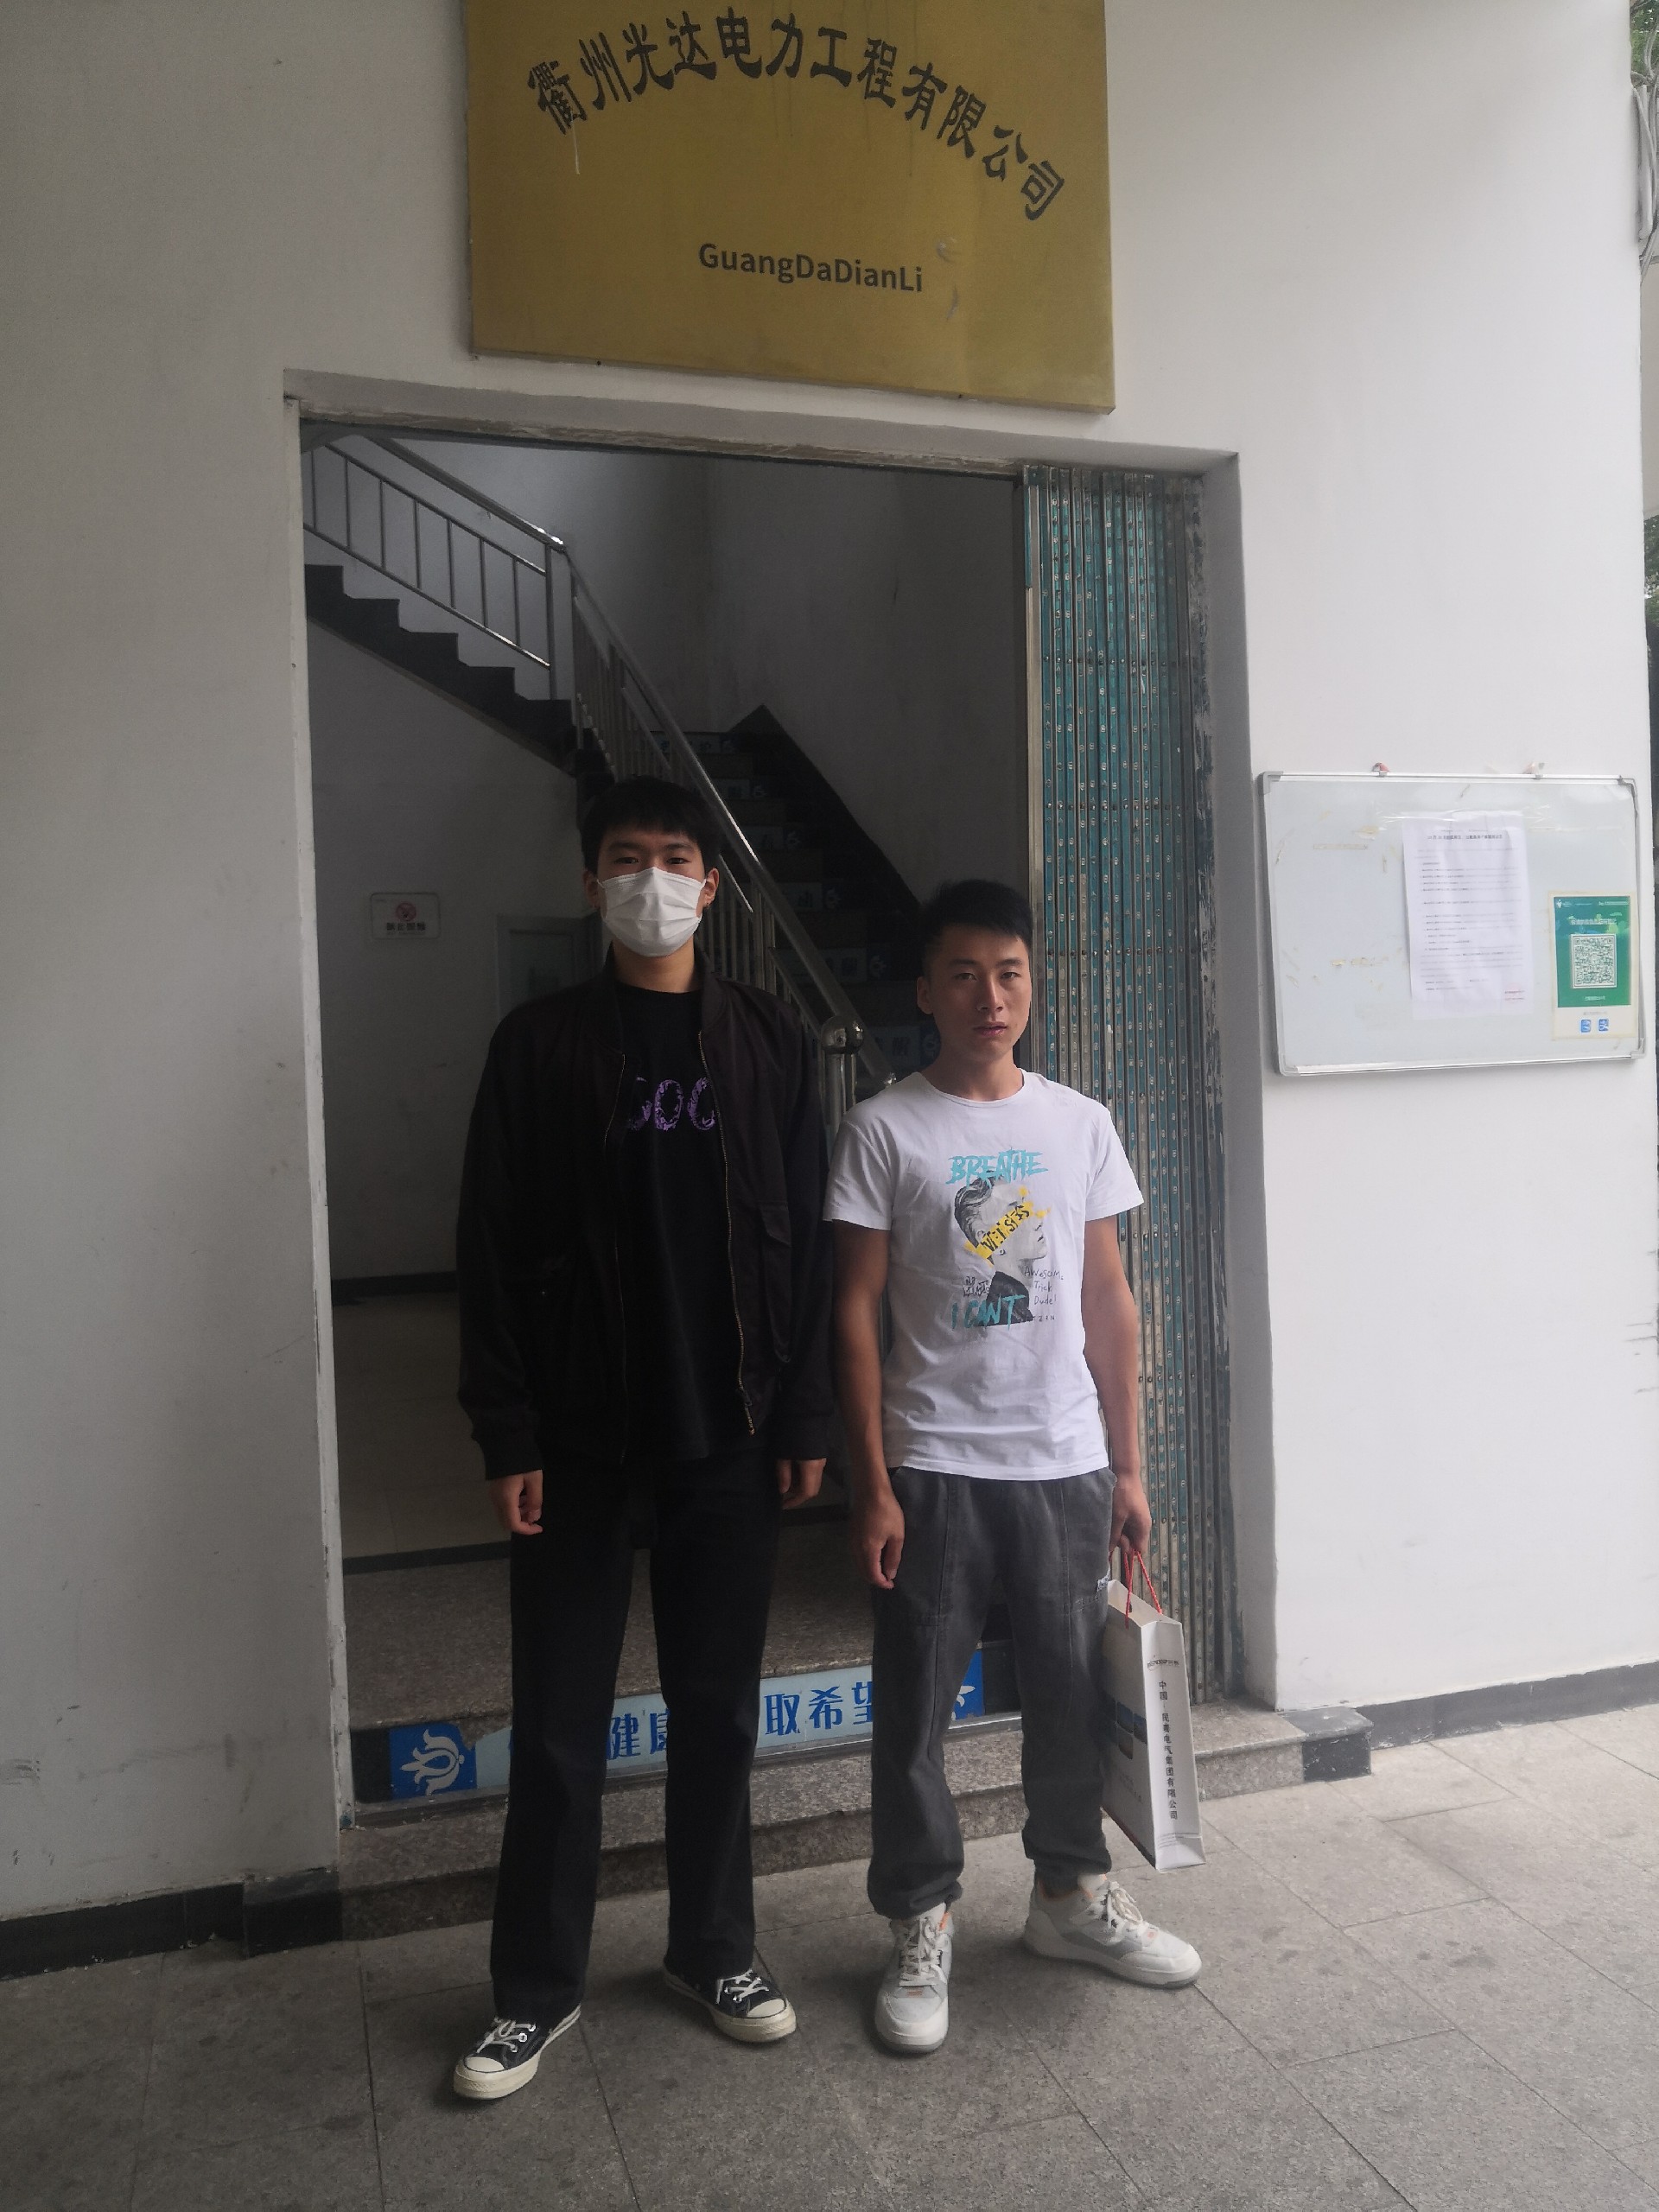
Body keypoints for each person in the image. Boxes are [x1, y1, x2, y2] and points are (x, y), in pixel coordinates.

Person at [449, 775, 832, 2100]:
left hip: (729, 1436)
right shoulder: (538, 1045)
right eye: (628, 858)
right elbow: (490, 1246)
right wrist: (507, 1431)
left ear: (712, 886)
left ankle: (714, 1948)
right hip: (578, 1440)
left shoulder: (770, 1042)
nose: (652, 881)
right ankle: (534, 1991)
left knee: (718, 1712)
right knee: (558, 1725)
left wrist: (804, 1412)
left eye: (676, 858)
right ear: (590, 881)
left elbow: (805, 1240)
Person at [825, 878, 1201, 2056]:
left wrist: (1129, 1468)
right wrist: (871, 1482)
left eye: (1010, 975)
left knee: (1070, 1699)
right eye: (965, 975)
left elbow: (1107, 1299)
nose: (990, 998)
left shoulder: (1079, 1122)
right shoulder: (884, 1128)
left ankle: (1068, 1896)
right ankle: (920, 1918)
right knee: (914, 1712)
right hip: (935, 1463)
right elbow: (854, 1313)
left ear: (1032, 986)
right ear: (925, 990)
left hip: (1064, 1462)